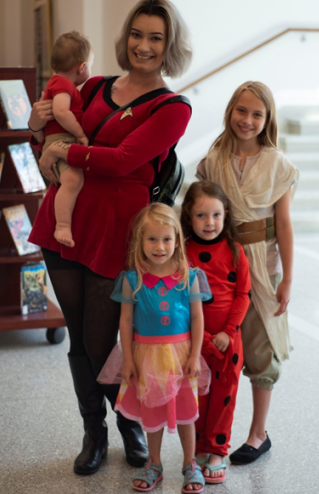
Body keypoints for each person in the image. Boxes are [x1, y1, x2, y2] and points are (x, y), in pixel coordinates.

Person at [25, 0, 193, 476]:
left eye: (155, 37)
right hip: (65, 221)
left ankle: (129, 421)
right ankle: (93, 432)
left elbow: (122, 160)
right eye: (137, 34)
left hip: (118, 232)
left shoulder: (172, 107)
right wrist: (38, 130)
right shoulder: (94, 84)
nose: (143, 46)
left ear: (169, 45)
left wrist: (66, 148)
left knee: (105, 340)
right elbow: (47, 135)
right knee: (78, 336)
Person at [196, 81, 298, 465]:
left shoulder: (278, 164)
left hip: (262, 267)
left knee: (259, 348)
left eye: (258, 114)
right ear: (230, 111)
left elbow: (284, 225)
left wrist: (286, 278)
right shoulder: (213, 158)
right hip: (219, 266)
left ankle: (258, 433)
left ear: (268, 118)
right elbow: (201, 213)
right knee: (216, 347)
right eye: (242, 111)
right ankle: (211, 433)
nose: (248, 120)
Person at [97, 203, 210, 493]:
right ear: (140, 241)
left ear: (177, 240)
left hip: (181, 356)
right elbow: (125, 321)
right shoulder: (131, 279)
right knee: (152, 413)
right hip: (145, 356)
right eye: (152, 239)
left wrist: (196, 355)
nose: (159, 246)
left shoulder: (189, 276)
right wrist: (128, 360)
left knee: (186, 412)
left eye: (166, 239)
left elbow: (197, 318)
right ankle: (154, 463)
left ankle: (189, 463)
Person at [181, 181, 250, 483]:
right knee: (198, 395)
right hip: (194, 341)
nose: (210, 223)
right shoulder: (182, 252)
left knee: (225, 395)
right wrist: (204, 339)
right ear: (188, 217)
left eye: (216, 215)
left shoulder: (235, 250)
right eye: (201, 216)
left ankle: (218, 449)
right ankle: (198, 447)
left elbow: (243, 294)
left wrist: (228, 332)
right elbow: (179, 298)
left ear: (225, 215)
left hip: (228, 340)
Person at [38, 31, 94, 247]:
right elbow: (61, 112)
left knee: (72, 179)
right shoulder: (63, 85)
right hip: (61, 140)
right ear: (81, 67)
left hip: (58, 140)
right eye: (89, 66)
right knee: (73, 179)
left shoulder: (57, 81)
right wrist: (80, 134)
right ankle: (62, 225)